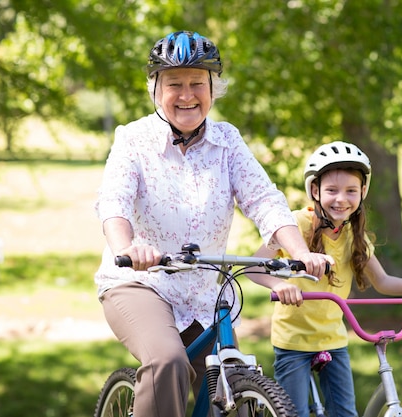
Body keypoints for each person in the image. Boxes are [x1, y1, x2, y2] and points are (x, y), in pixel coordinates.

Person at [93, 30, 331, 417]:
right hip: (140, 283)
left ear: (212, 88)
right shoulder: (133, 140)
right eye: (175, 84)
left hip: (205, 293)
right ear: (155, 88)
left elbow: (264, 200)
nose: (187, 95)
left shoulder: (227, 142)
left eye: (196, 84)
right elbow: (114, 202)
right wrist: (126, 249)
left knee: (232, 378)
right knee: (169, 364)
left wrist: (302, 253)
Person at [250, 141, 402, 417]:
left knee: (345, 413)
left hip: (333, 339)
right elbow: (255, 268)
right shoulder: (295, 226)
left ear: (362, 192)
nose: (341, 199)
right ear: (315, 191)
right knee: (291, 413)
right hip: (293, 340)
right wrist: (279, 285)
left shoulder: (355, 237)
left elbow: (382, 281)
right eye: (332, 190)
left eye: (351, 191)